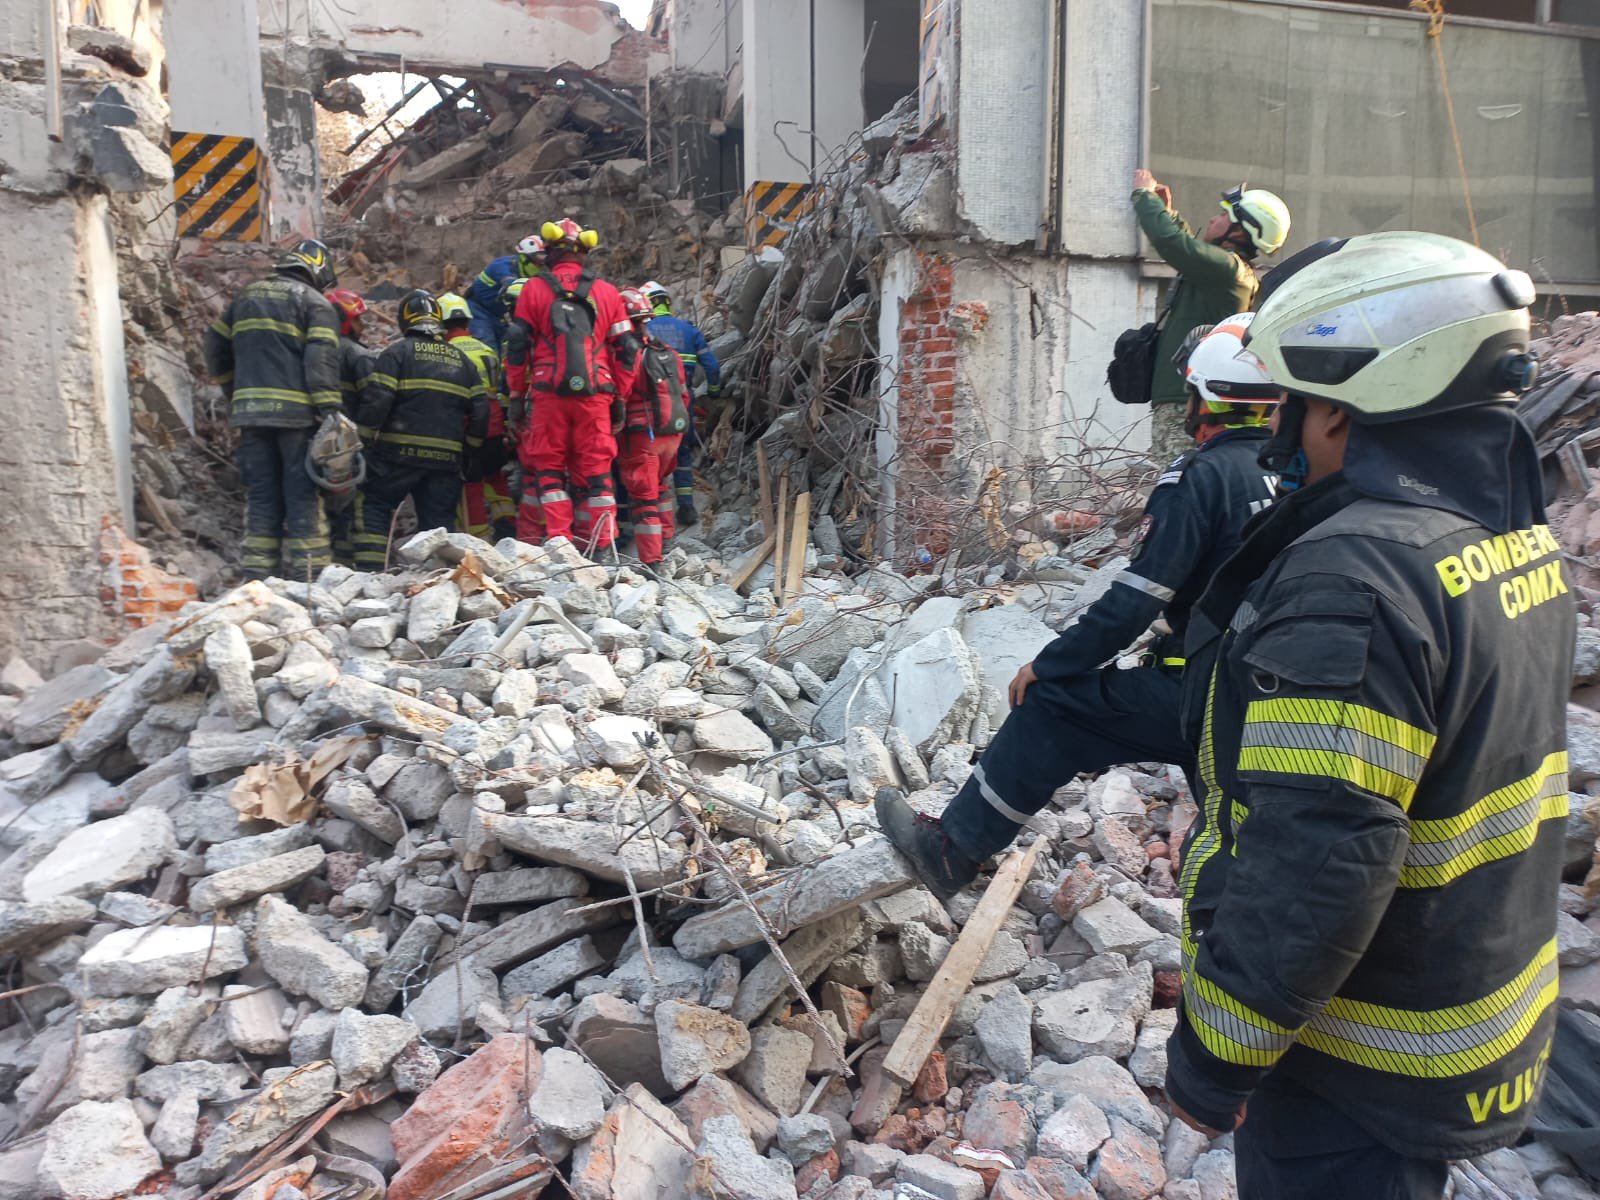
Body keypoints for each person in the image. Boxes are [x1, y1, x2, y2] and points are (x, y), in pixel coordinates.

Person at [1161, 233, 1564, 1200]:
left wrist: (1216, 1059)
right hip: (1476, 1013)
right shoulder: (1511, 545)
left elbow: (1321, 857)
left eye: (1292, 408)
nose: (1280, 436)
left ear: (1344, 413)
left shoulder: (1356, 580)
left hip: (1361, 1064)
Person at [877, 316, 1283, 898]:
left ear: (1207, 398)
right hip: (1276, 695)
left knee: (1053, 706)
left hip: (1220, 697)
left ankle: (953, 848)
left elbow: (1134, 602)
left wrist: (1049, 665)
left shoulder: (1201, 477)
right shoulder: (1297, 473)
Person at [202, 239, 342, 580]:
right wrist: (330, 412)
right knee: (302, 493)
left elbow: (214, 345)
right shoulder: (315, 303)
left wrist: (236, 392)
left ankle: (257, 573)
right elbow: (319, 361)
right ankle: (310, 577)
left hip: (251, 416)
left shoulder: (245, 297)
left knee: (262, 493)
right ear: (318, 271)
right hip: (296, 418)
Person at [1133, 174, 1290, 463]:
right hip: (1189, 399)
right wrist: (1168, 213)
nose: (1213, 218)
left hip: (1185, 404)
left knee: (1179, 475)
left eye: (1222, 215)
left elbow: (1174, 244)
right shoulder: (1228, 271)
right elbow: (1191, 252)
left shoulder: (1228, 271)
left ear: (1240, 232)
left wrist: (1143, 196)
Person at [504, 217, 637, 549]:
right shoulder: (608, 293)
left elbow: (517, 347)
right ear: (585, 252)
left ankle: (560, 546)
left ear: (549, 251)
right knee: (597, 474)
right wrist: (619, 395)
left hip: (548, 394)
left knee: (549, 470)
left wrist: (517, 396)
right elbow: (628, 350)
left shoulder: (532, 289)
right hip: (596, 397)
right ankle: (603, 548)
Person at [352, 290, 489, 569]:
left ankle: (369, 574)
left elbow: (377, 402)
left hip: (397, 456)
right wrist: (471, 451)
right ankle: (437, 579)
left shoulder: (396, 354)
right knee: (438, 526)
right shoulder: (463, 361)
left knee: (375, 507)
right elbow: (481, 412)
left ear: (405, 321)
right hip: (446, 462)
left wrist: (363, 444)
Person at [613, 287, 691, 565]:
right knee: (660, 488)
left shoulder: (628, 353)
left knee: (643, 497)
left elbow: (619, 393)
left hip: (642, 436)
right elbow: (684, 393)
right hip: (672, 434)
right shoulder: (667, 351)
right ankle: (668, 542)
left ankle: (652, 561)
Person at [640, 280, 719, 528]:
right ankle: (686, 508)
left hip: (650, 404)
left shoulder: (642, 330)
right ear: (666, 302)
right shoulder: (688, 329)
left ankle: (650, 512)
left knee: (649, 455)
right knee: (682, 451)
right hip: (683, 401)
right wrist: (714, 392)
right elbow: (712, 366)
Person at [439, 292, 515, 541]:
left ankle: (478, 539)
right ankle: (507, 525)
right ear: (467, 321)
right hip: (494, 427)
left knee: (471, 484)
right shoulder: (486, 349)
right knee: (497, 478)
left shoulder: (445, 352)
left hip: (466, 428)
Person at [324, 287, 376, 565]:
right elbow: (375, 401)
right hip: (353, 444)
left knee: (326, 502)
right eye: (358, 319)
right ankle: (351, 563)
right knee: (356, 503)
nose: (362, 325)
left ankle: (329, 558)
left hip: (319, 441)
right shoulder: (359, 356)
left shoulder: (312, 352)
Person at [466, 234, 545, 351]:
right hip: (478, 310)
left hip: (498, 316)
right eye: (538, 261)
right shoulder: (503, 265)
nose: (541, 265)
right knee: (488, 347)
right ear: (525, 259)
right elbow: (509, 284)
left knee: (509, 349)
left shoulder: (526, 273)